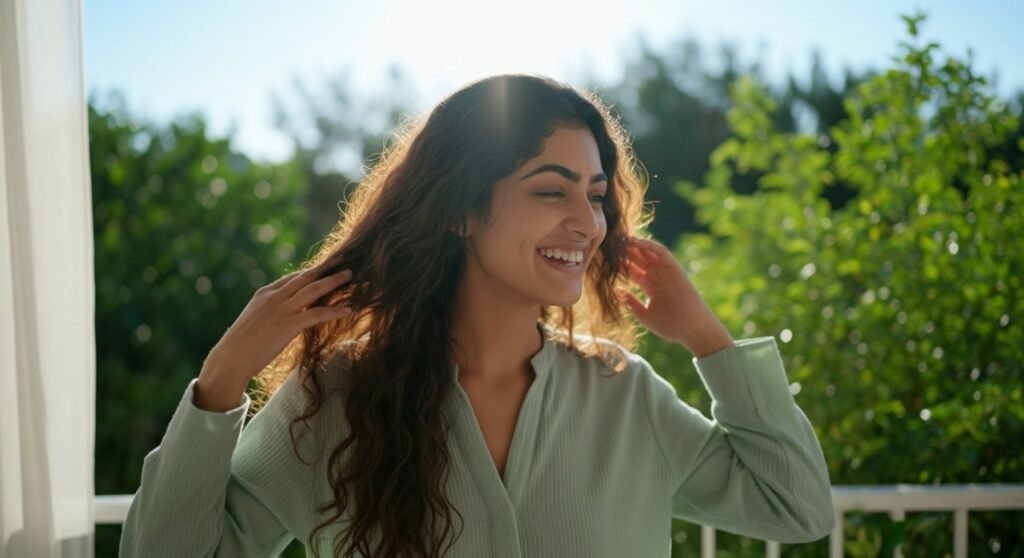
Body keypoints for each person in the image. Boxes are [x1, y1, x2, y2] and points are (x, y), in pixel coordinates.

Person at [120, 74, 835, 557]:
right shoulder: (333, 398)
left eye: (595, 195)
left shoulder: (624, 394)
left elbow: (796, 508)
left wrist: (710, 342)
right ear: (462, 210)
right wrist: (221, 381)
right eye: (552, 190)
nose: (588, 222)